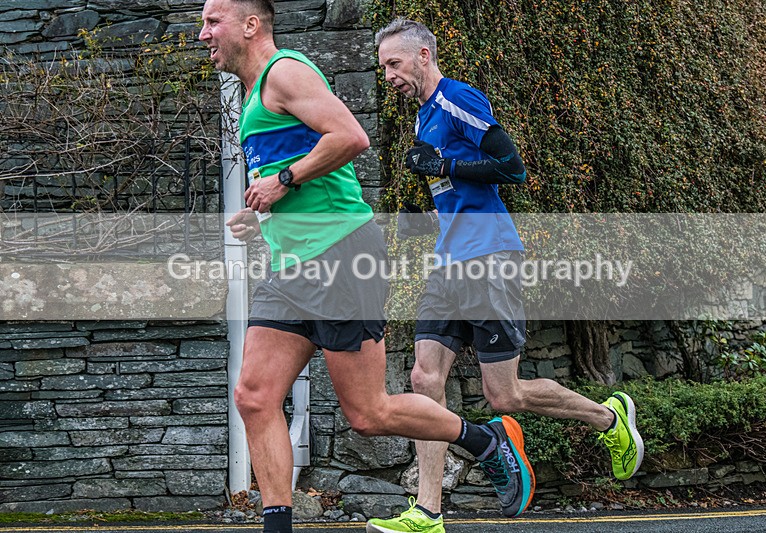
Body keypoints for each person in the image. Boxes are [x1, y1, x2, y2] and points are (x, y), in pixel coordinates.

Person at [199, 2, 535, 532]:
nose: (202, 34)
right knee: (254, 396)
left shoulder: (284, 72)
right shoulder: (250, 97)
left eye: (212, 21)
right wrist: (260, 213)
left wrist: (282, 182)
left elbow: (350, 137)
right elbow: (297, 179)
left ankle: (483, 439)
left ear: (250, 24)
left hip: (339, 258)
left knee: (368, 412)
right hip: (290, 270)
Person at [368, 19, 644, 533]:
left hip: (491, 257)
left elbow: (511, 167)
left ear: (424, 55)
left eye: (395, 64)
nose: (388, 76)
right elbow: (458, 195)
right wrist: (419, 223)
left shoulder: (456, 99)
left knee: (505, 395)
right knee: (425, 378)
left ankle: (608, 418)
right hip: (449, 263)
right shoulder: (422, 120)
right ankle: (427, 511)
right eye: (383, 67)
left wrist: (443, 163)